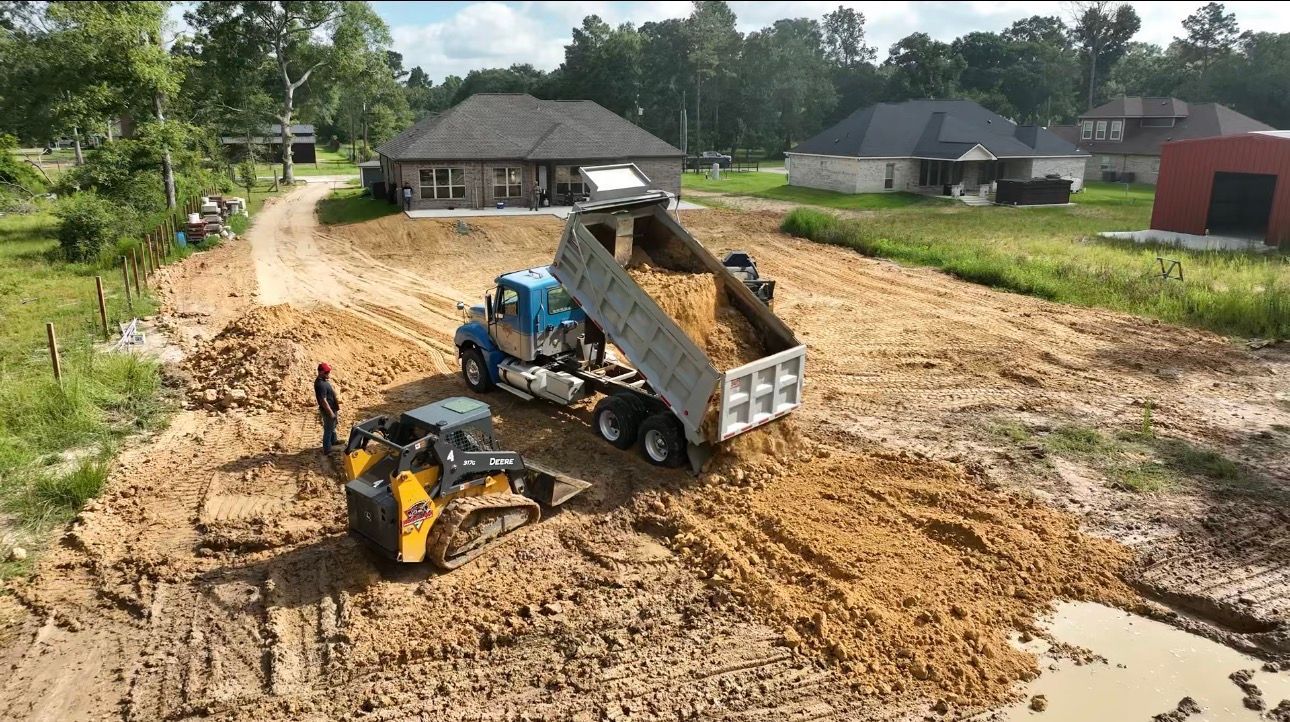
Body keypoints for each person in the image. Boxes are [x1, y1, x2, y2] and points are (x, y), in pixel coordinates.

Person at [315, 362, 340, 453]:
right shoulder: (320, 384)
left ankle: (334, 441)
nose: (328, 374)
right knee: (328, 430)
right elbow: (323, 401)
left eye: (328, 372)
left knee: (332, 426)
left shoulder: (324, 381)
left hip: (332, 408)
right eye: (326, 372)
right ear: (320, 372)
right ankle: (327, 449)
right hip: (328, 410)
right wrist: (331, 413)